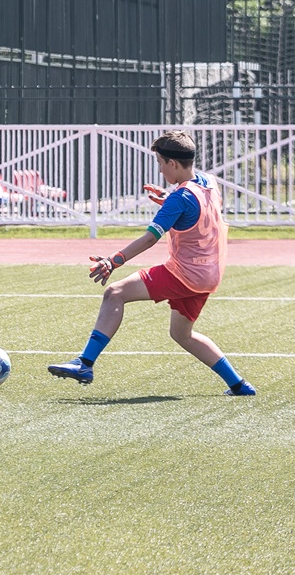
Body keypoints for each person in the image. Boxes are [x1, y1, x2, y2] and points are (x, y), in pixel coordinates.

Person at [48, 130, 256, 396]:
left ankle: (84, 363)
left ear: (173, 163)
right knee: (182, 334)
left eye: (160, 163)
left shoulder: (180, 198)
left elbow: (149, 239)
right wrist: (168, 200)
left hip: (185, 274)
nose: (160, 170)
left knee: (114, 293)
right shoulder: (209, 182)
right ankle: (239, 385)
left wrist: (113, 261)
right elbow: (198, 209)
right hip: (210, 274)